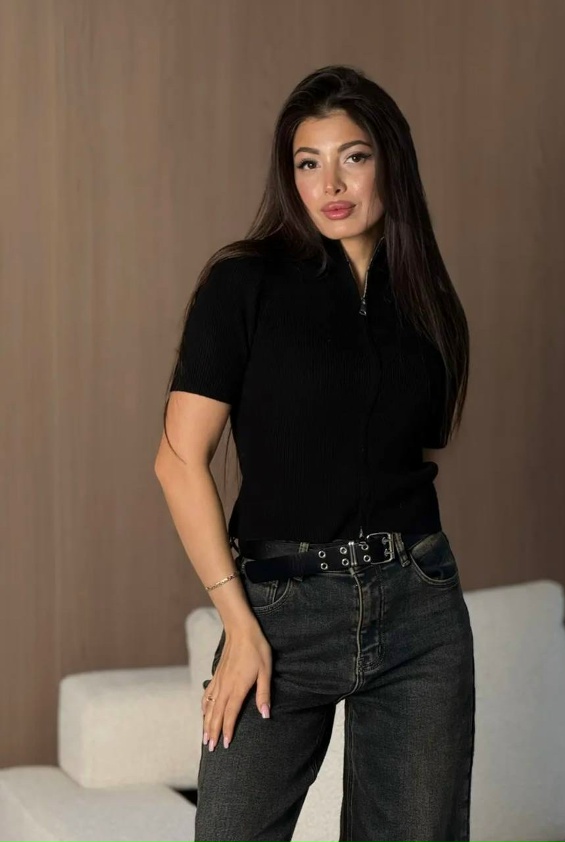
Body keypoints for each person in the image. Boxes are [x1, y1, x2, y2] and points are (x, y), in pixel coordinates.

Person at [154, 64, 475, 842]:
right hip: (279, 611)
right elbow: (178, 459)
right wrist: (238, 623)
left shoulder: (425, 299)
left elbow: (410, 450)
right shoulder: (244, 284)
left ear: (389, 162)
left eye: (353, 157)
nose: (329, 184)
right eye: (308, 162)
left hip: (416, 608)